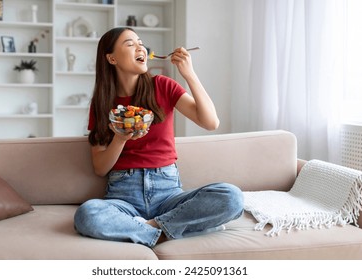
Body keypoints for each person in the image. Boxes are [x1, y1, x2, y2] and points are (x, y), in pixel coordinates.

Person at [74, 27, 244, 248]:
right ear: (111, 58)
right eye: (130, 43)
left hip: (168, 194)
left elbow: (210, 122)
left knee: (232, 197)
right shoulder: (102, 102)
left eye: (141, 42)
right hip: (123, 196)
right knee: (87, 214)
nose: (140, 47)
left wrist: (189, 74)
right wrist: (121, 138)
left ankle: (149, 228)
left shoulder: (162, 85)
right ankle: (177, 230)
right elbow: (100, 168)